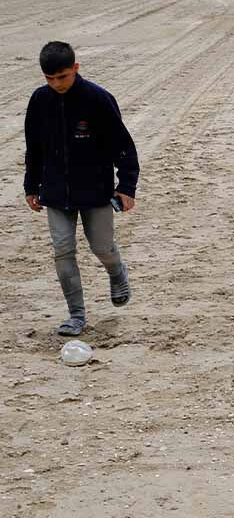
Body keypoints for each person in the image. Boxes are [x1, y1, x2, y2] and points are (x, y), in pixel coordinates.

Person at [24, 41, 138, 337]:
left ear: (75, 68)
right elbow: (34, 148)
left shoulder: (98, 99)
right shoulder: (39, 101)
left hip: (95, 191)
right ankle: (76, 315)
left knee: (102, 247)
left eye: (62, 77)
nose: (56, 84)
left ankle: (117, 272)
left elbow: (123, 147)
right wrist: (30, 186)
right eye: (49, 79)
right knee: (63, 251)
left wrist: (126, 187)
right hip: (55, 193)